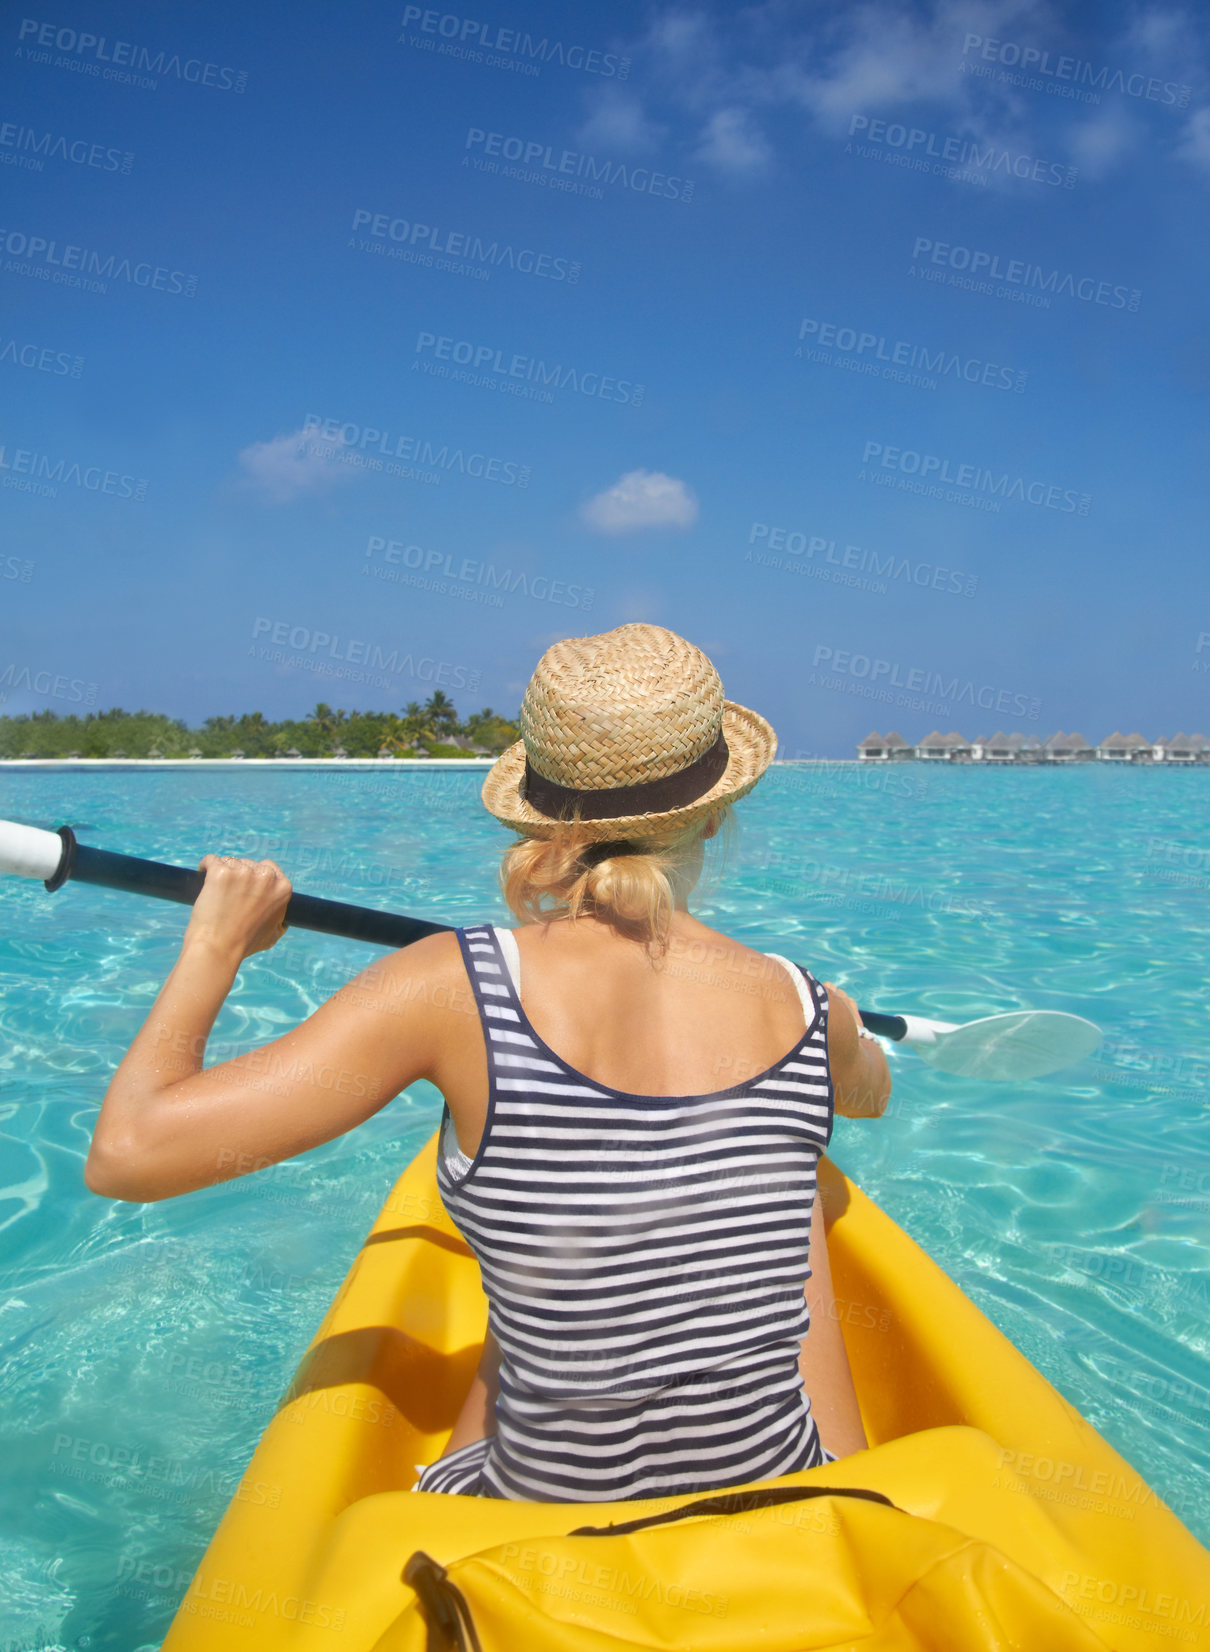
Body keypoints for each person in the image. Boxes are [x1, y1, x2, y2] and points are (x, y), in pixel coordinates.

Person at [85, 622, 891, 1504]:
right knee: (795, 1182)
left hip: (547, 1514)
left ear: (538, 813)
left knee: (542, 1252)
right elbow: (865, 1097)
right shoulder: (806, 1002)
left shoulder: (452, 987)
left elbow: (131, 1155)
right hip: (785, 1489)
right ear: (717, 809)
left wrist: (215, 945)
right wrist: (840, 1037)